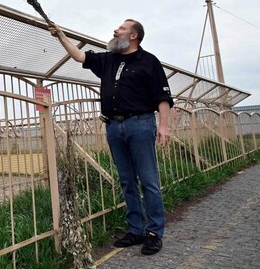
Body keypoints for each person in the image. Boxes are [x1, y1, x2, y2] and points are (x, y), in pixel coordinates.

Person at [48, 19, 173, 255]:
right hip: (114, 127)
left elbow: (162, 97)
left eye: (122, 29)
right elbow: (79, 56)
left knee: (148, 180)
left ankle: (155, 232)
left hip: (141, 124)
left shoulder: (148, 62)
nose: (116, 31)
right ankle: (136, 229)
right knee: (127, 181)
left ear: (133, 36)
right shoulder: (108, 59)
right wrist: (61, 36)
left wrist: (164, 126)